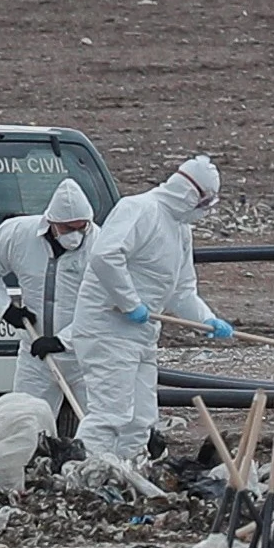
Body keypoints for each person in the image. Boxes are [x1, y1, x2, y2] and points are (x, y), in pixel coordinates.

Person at [73, 155, 235, 465]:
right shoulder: (140, 209)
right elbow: (105, 257)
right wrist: (130, 303)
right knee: (111, 414)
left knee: (141, 419)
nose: (202, 213)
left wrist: (206, 319)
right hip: (107, 328)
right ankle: (81, 475)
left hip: (142, 334)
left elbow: (182, 290)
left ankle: (130, 475)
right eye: (203, 204)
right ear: (190, 195)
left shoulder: (179, 230)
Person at [0, 179, 96, 432]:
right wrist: (5, 308)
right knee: (25, 426)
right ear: (52, 223)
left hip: (86, 357)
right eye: (69, 228)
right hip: (35, 354)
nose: (76, 235)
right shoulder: (17, 234)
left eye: (82, 228)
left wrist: (63, 341)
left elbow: (102, 308)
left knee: (97, 426)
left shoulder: (99, 246)